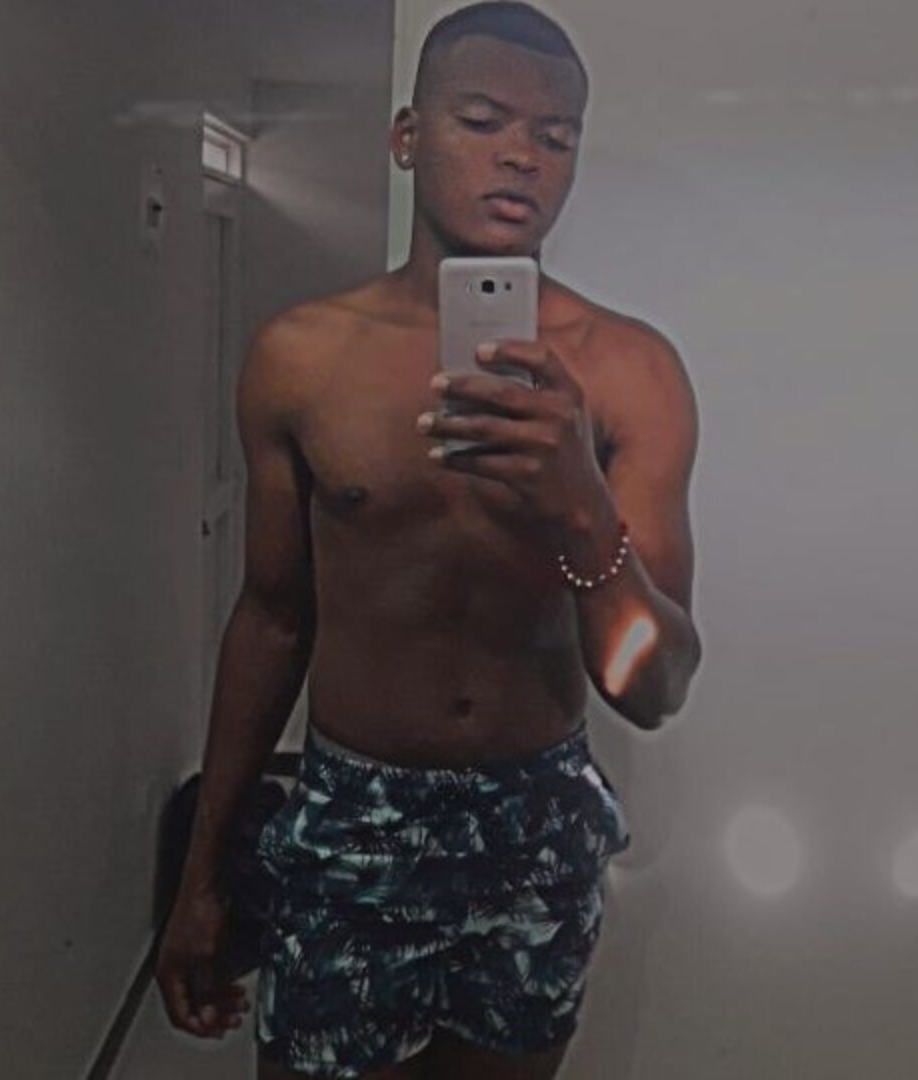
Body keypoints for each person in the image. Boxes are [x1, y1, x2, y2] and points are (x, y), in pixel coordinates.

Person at [156, 3, 702, 1077]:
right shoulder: (303, 358)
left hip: (534, 821)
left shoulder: (631, 370)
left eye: (555, 135)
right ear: (407, 137)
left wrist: (578, 503)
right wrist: (202, 875)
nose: (521, 156)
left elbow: (656, 683)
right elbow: (272, 620)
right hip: (353, 814)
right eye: (483, 120)